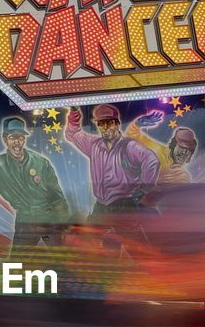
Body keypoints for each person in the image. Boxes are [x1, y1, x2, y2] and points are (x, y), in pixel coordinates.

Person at [0, 116, 71, 254]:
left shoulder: (41, 162)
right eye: (12, 137)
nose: (17, 142)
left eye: (21, 137)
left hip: (49, 219)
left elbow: (57, 197)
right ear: (5, 139)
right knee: (17, 266)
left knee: (63, 261)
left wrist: (64, 223)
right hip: (25, 222)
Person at [63, 104, 161, 250]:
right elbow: (72, 134)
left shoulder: (128, 146)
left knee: (136, 247)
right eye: (101, 123)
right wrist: (74, 113)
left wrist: (144, 188)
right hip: (102, 206)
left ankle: (153, 270)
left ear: (117, 124)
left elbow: (152, 161)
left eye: (108, 122)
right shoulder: (94, 145)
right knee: (86, 239)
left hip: (124, 206)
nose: (105, 127)